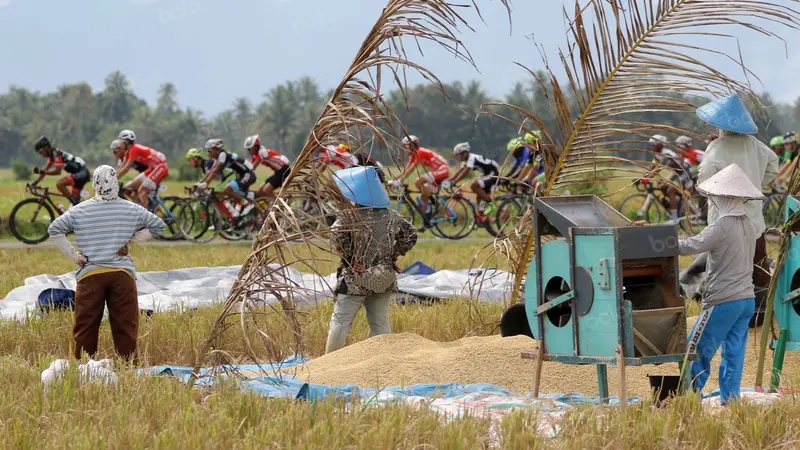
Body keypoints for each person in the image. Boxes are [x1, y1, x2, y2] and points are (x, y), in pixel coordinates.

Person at [637, 163, 763, 404]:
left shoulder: (721, 226)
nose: (712, 200)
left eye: (715, 196)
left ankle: (684, 399)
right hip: (747, 300)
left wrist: (655, 236)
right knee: (734, 354)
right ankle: (731, 400)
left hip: (723, 301)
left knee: (695, 351)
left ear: (724, 197)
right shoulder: (749, 223)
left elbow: (689, 246)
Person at [47, 165, 166, 362]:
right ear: (116, 186)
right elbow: (158, 225)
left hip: (89, 275)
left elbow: (54, 229)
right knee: (125, 326)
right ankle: (127, 368)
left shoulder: (79, 210)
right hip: (122, 275)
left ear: (94, 184)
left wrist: (75, 257)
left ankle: (84, 366)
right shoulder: (131, 208)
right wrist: (131, 240)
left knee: (85, 326)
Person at [326, 166, 417, 353]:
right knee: (380, 323)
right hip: (384, 277)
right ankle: (382, 363)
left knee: (341, 321)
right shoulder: (391, 216)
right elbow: (411, 235)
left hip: (356, 278)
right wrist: (392, 255)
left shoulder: (349, 217)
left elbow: (335, 234)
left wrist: (350, 258)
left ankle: (329, 365)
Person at [696, 93, 778, 293]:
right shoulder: (756, 145)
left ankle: (726, 304)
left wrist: (711, 192)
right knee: (758, 264)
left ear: (721, 126)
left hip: (724, 219)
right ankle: (760, 311)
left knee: (724, 268)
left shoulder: (716, 147)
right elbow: (774, 165)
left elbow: (704, 176)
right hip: (753, 220)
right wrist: (756, 185)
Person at [389, 135, 450, 215]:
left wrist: (400, 181)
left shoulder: (420, 152)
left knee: (419, 181)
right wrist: (393, 180)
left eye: (405, 147)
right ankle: (430, 204)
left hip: (442, 169)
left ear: (411, 146)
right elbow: (405, 170)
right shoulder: (413, 155)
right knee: (423, 187)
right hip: (438, 171)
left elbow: (412, 169)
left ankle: (427, 204)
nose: (404, 150)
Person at [196, 139, 257, 215]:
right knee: (232, 193)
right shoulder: (217, 158)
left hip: (248, 174)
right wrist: (200, 183)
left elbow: (216, 170)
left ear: (215, 149)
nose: (208, 153)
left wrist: (206, 183)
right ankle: (237, 212)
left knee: (227, 189)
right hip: (242, 175)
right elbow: (210, 172)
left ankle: (248, 204)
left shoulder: (222, 155)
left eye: (209, 150)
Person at [641, 134, 691, 222]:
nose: (651, 147)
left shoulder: (666, 153)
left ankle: (675, 218)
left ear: (659, 145)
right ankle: (676, 205)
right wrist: (641, 178)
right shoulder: (657, 155)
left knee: (670, 190)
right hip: (676, 174)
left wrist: (648, 178)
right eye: (650, 145)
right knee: (662, 187)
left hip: (684, 173)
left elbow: (658, 168)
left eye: (653, 145)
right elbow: (652, 167)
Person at [115, 130, 169, 210]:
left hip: (160, 167)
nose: (120, 144)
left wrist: (114, 179)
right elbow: (121, 168)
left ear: (126, 142)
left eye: (121, 142)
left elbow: (126, 168)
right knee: (127, 188)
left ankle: (145, 219)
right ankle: (146, 206)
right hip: (152, 168)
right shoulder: (128, 152)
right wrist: (111, 177)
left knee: (142, 190)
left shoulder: (134, 149)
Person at [443, 142, 500, 217]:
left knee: (474, 185)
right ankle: (481, 219)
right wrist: (449, 180)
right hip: (487, 174)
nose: (457, 157)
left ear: (464, 153)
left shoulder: (472, 158)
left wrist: (455, 182)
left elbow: (465, 172)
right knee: (479, 196)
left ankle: (491, 204)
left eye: (458, 155)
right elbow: (459, 172)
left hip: (493, 173)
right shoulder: (466, 161)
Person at [32, 136, 90, 206]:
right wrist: (35, 182)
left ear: (46, 148)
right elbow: (45, 170)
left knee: (60, 184)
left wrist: (43, 171)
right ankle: (76, 204)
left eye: (41, 152)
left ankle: (74, 203)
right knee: (75, 206)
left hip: (81, 173)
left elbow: (57, 172)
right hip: (80, 174)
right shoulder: (52, 156)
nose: (41, 154)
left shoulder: (57, 154)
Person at [243, 135, 290, 199]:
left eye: (249, 149)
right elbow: (249, 165)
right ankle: (268, 206)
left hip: (284, 170)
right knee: (260, 191)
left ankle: (281, 205)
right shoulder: (255, 155)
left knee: (267, 190)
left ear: (255, 147)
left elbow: (253, 167)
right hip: (278, 172)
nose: (248, 151)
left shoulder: (262, 152)